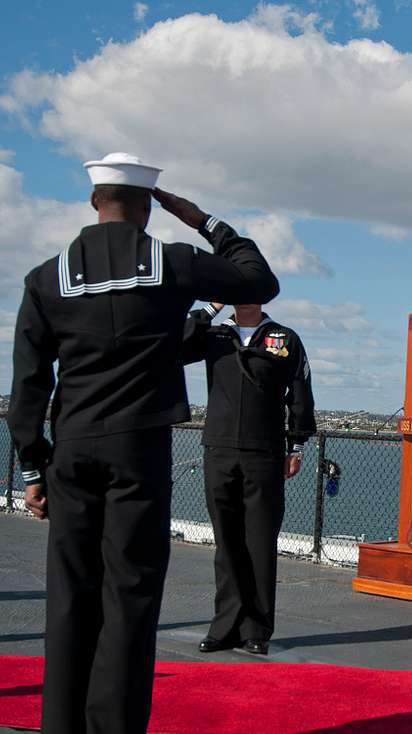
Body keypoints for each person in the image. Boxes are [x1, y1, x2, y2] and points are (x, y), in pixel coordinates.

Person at [7, 152, 279, 734]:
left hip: (72, 449)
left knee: (70, 596)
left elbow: (28, 387)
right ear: (150, 206)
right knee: (129, 594)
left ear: (93, 201)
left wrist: (33, 468)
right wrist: (204, 221)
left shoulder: (44, 277)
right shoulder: (173, 263)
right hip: (138, 449)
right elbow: (260, 282)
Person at [182, 301, 316, 655]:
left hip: (265, 452)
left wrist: (297, 444)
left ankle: (256, 629)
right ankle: (224, 627)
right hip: (219, 450)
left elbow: (300, 391)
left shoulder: (284, 338)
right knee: (226, 543)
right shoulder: (214, 334)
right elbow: (172, 345)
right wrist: (209, 308)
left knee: (258, 542)